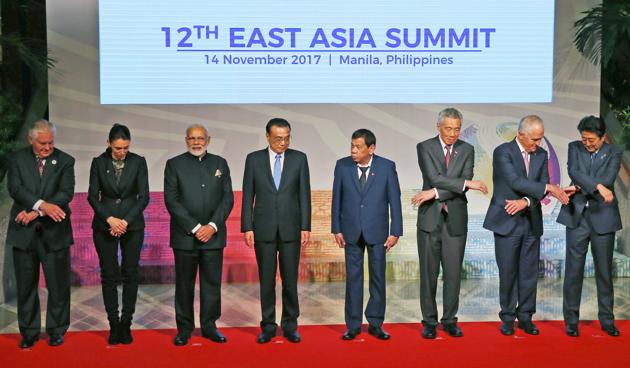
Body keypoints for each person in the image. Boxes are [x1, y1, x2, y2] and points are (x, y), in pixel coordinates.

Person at [483, 115, 570, 336]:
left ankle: (526, 317)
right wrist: (549, 187)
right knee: (508, 272)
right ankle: (508, 317)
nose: (538, 144)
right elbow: (514, 182)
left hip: (531, 220)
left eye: (541, 139)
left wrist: (526, 202)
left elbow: (537, 186)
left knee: (529, 273)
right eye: (534, 139)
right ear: (521, 135)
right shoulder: (503, 152)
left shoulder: (541, 154)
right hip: (506, 221)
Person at [413, 108, 488, 339]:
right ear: (438, 127)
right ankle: (429, 321)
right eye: (448, 128)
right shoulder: (425, 147)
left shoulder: (467, 149)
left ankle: (450, 320)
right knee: (429, 274)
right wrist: (464, 183)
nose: (453, 133)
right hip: (430, 219)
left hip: (455, 218)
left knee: (453, 274)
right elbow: (436, 177)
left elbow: (459, 182)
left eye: (457, 129)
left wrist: (434, 192)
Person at [241, 118, 311, 344]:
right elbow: (247, 195)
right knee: (267, 281)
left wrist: (305, 226)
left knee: (290, 281)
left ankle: (290, 325)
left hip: (291, 229)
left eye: (287, 137)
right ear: (268, 137)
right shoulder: (254, 160)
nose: (283, 142)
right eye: (278, 138)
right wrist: (247, 227)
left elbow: (304, 195)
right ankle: (268, 326)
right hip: (263, 229)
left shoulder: (299, 159)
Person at [6, 119, 75, 348]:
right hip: (23, 233)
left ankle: (57, 330)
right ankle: (29, 331)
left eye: (51, 143)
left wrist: (37, 211)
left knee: (58, 286)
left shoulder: (65, 160)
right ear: (31, 140)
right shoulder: (17, 159)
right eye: (42, 143)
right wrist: (41, 205)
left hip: (54, 233)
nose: (47, 147)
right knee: (26, 286)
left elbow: (65, 194)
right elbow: (15, 188)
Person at [164, 124, 234, 346]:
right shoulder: (174, 165)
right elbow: (171, 200)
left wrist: (212, 226)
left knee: (211, 284)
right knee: (184, 285)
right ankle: (184, 329)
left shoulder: (220, 164)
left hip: (213, 236)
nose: (196, 142)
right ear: (186, 140)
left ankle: (210, 326)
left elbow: (227, 199)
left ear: (208, 140)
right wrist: (195, 228)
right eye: (192, 138)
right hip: (185, 238)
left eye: (200, 138)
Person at [332, 128, 403, 341]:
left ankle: (375, 323)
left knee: (378, 279)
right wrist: (336, 228)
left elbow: (394, 200)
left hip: (378, 232)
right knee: (353, 280)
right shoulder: (342, 166)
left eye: (358, 147)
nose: (353, 150)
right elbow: (337, 198)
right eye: (352, 146)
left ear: (371, 148)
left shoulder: (386, 167)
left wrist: (395, 231)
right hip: (351, 231)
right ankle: (353, 326)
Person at [557, 116, 623, 337]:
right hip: (577, 217)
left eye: (592, 140)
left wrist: (581, 185)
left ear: (603, 137)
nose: (587, 143)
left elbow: (609, 177)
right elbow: (574, 172)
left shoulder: (614, 152)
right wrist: (596, 186)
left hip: (603, 218)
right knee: (573, 272)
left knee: (604, 272)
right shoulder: (574, 148)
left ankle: (607, 320)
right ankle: (571, 321)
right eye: (584, 139)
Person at [87, 123, 149, 344]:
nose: (122, 152)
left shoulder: (139, 162)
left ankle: (126, 324)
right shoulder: (98, 163)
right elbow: (93, 196)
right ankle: (113, 324)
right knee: (109, 274)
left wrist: (125, 221)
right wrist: (110, 219)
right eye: (117, 148)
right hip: (105, 226)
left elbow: (144, 197)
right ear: (108, 144)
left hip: (132, 226)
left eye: (125, 148)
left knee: (131, 273)